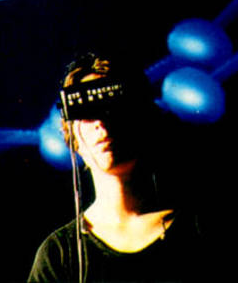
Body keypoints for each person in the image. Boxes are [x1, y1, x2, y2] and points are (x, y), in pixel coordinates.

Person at [28, 52, 208, 282]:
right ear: (72, 137)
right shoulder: (60, 255)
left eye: (112, 108)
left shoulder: (201, 229)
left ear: (143, 120)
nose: (101, 124)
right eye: (87, 113)